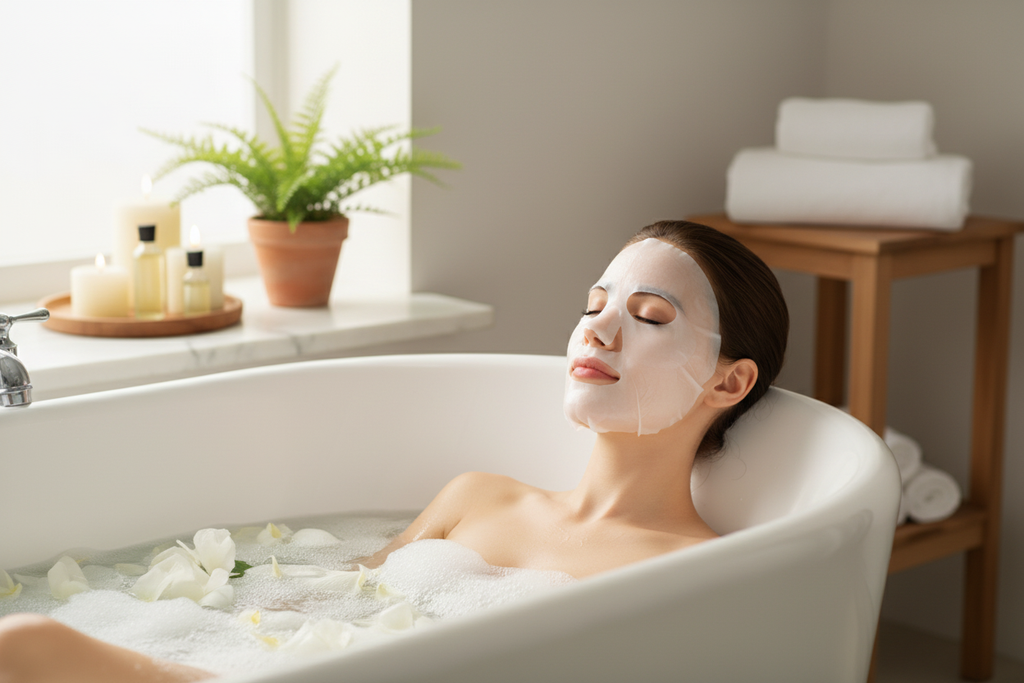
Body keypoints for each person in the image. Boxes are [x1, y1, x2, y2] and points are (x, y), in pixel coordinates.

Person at [0, 220, 789, 682]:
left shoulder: (696, 569)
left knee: (25, 645)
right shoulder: (479, 497)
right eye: (594, 304)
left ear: (729, 382)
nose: (599, 329)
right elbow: (330, 599)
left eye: (650, 315)